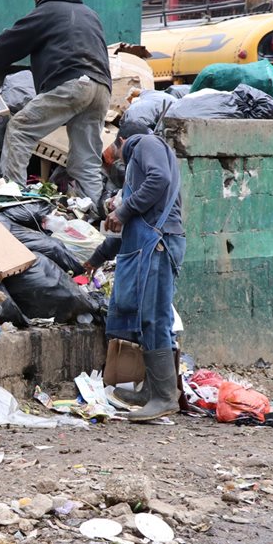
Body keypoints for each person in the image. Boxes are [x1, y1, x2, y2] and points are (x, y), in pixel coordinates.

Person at [83, 118, 185, 422]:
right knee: (151, 318)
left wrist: (124, 210)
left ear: (123, 140)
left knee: (154, 317)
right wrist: (95, 259)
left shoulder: (144, 144)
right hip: (154, 242)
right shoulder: (140, 162)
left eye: (116, 150)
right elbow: (125, 236)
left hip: (160, 244)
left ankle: (165, 397)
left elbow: (160, 179)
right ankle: (152, 390)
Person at [0, 0, 111, 203]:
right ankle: (93, 211)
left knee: (20, 129)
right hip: (101, 89)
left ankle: (12, 199)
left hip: (72, 84)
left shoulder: (46, 11)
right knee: (86, 160)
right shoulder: (91, 14)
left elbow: (10, 42)